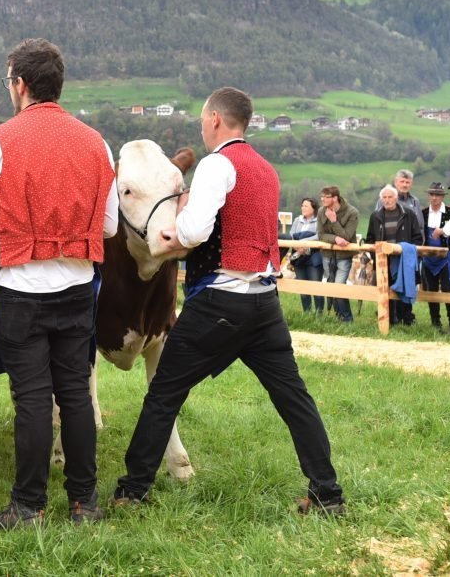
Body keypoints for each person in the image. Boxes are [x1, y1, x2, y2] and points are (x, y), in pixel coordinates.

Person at [111, 86, 346, 516]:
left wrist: (171, 233)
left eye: (203, 119)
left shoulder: (217, 164)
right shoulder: (265, 168)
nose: (202, 126)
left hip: (220, 301)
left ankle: (133, 489)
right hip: (265, 301)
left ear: (215, 119)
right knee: (294, 399)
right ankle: (327, 493)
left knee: (164, 392)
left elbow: (196, 230)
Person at [0, 38, 118, 528]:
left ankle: (28, 507)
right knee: (75, 393)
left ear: (21, 84)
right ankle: (84, 502)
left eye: (10, 80)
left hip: (19, 287)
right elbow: (110, 227)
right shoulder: (96, 142)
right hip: (77, 284)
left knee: (31, 397)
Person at [366, 185, 424, 326]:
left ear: (396, 197)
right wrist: (375, 257)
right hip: (383, 260)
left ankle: (407, 319)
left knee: (404, 288)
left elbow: (418, 238)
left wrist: (405, 251)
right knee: (385, 290)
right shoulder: (375, 216)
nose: (387, 200)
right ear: (381, 200)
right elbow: (370, 239)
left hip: (403, 260)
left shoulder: (408, 214)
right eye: (384, 197)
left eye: (390, 197)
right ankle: (389, 320)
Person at [317, 185, 359, 323]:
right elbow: (321, 234)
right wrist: (334, 238)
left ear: (335, 198)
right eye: (321, 196)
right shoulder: (321, 211)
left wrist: (334, 221)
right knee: (331, 285)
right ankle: (338, 317)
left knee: (339, 285)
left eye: (326, 196)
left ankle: (347, 319)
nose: (322, 199)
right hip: (327, 254)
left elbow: (347, 236)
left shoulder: (352, 212)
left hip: (343, 256)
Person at [420, 182, 450, 331]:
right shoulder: (423, 213)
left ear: (442, 196)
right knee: (431, 289)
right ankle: (435, 322)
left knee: (448, 288)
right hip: (428, 259)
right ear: (428, 196)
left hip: (446, 258)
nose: (434, 197)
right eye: (432, 194)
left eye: (438, 195)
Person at [288, 197, 324, 313]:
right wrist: (297, 245)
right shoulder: (297, 220)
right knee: (303, 287)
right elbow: (292, 234)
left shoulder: (319, 220)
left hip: (313, 257)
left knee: (316, 287)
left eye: (306, 206)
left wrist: (304, 242)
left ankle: (319, 314)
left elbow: (319, 235)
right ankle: (307, 313)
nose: (303, 208)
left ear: (313, 208)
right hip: (299, 256)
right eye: (302, 205)